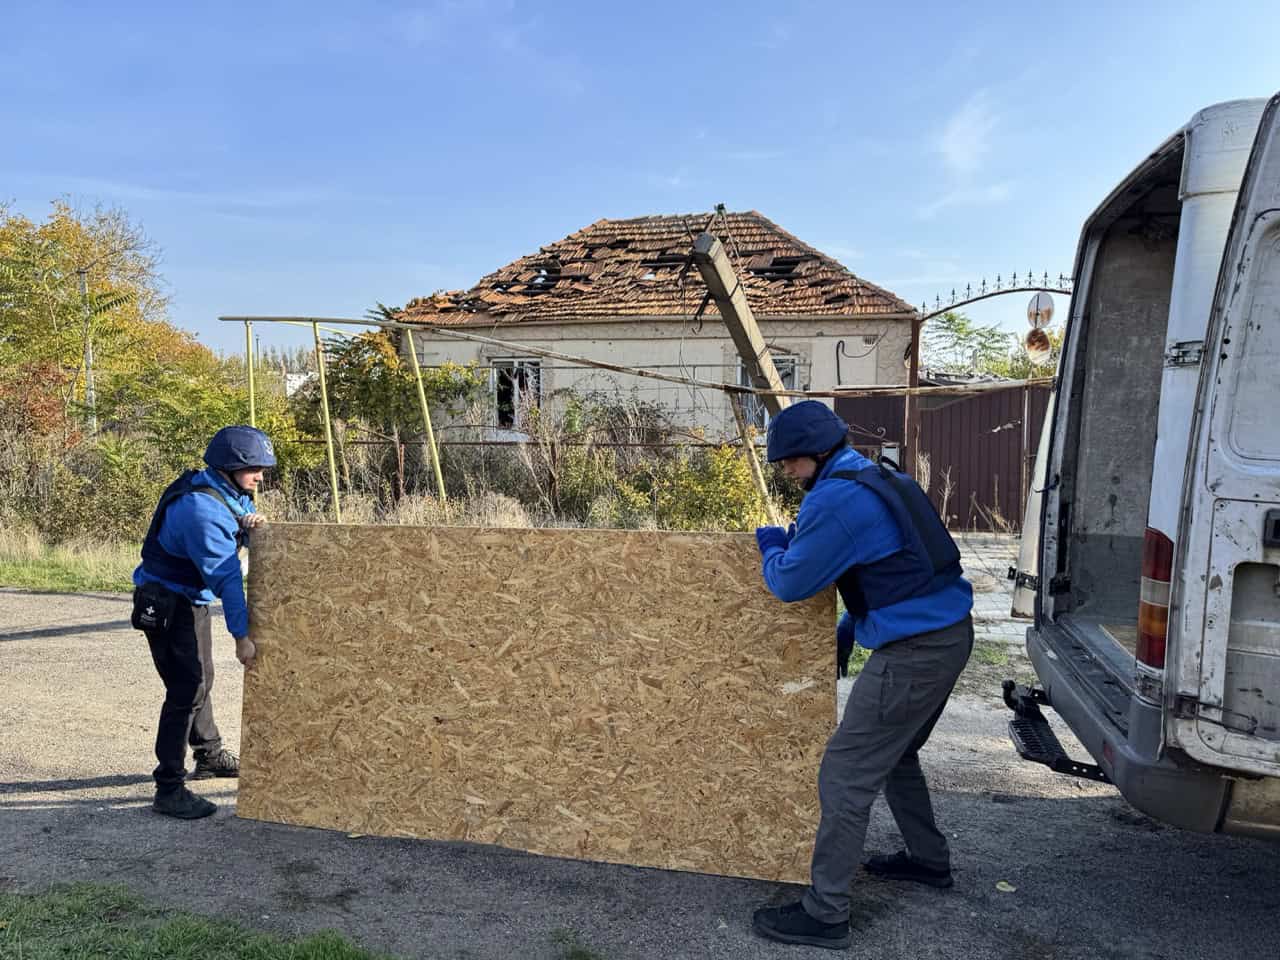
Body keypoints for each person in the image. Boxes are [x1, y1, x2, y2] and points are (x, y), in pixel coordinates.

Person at [749, 401, 974, 950]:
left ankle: (825, 913)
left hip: (916, 652)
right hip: (948, 633)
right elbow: (900, 567)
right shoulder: (877, 476)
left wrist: (772, 547)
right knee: (897, 754)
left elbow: (790, 583)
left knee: (845, 774)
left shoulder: (838, 500)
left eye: (788, 464)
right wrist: (856, 621)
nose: (785, 473)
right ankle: (928, 861)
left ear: (814, 455)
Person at [131, 425, 274, 819]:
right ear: (229, 466)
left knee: (200, 679)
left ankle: (208, 755)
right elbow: (227, 580)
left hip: (188, 599)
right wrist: (241, 636)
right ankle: (168, 788)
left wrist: (249, 524)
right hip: (166, 605)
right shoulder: (201, 512)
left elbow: (237, 513)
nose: (261, 476)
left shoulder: (221, 489)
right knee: (185, 690)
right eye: (254, 469)